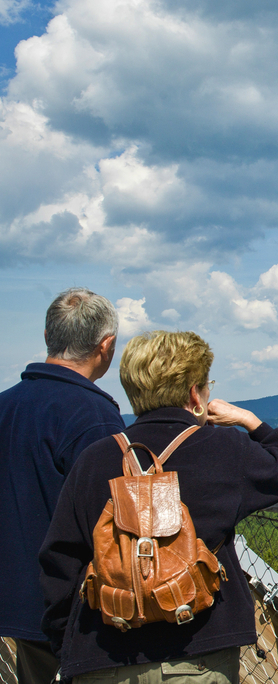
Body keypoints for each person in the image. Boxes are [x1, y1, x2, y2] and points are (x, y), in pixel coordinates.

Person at [40, 330, 278, 683]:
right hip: (197, 654)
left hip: (104, 654)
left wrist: (68, 646)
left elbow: (59, 562)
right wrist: (247, 420)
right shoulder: (224, 449)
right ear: (194, 393)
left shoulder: (94, 459)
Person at [0, 288, 125, 684]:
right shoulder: (94, 416)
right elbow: (115, 514)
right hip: (77, 604)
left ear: (47, 336)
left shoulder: (6, 406)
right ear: (105, 346)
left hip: (16, 596)